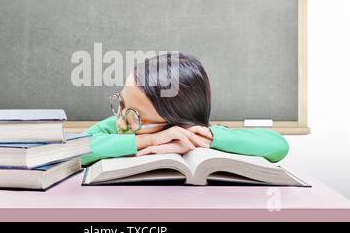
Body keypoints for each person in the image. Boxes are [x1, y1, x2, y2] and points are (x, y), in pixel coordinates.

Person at [81, 52, 289, 166]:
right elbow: (73, 151)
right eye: (121, 102)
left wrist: (206, 138)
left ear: (176, 123)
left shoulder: (199, 135)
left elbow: (278, 146)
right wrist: (150, 139)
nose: (120, 119)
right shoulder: (117, 127)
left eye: (135, 116)